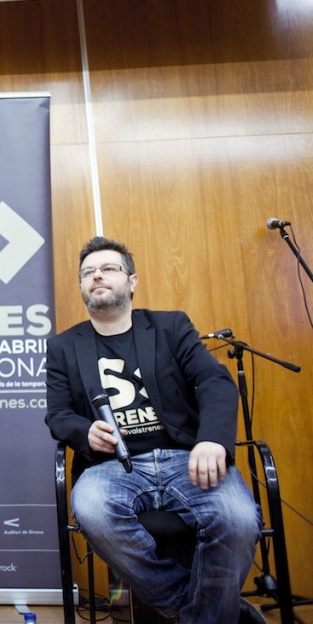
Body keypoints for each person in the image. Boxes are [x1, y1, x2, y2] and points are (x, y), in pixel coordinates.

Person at [45, 236, 264, 624]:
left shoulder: (170, 326)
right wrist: (84, 431)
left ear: (132, 281)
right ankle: (210, 612)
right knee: (92, 509)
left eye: (109, 268)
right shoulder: (64, 346)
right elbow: (58, 414)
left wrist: (212, 439)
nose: (97, 276)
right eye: (88, 273)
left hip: (186, 458)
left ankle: (201, 613)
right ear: (80, 287)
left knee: (239, 518)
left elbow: (214, 383)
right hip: (113, 467)